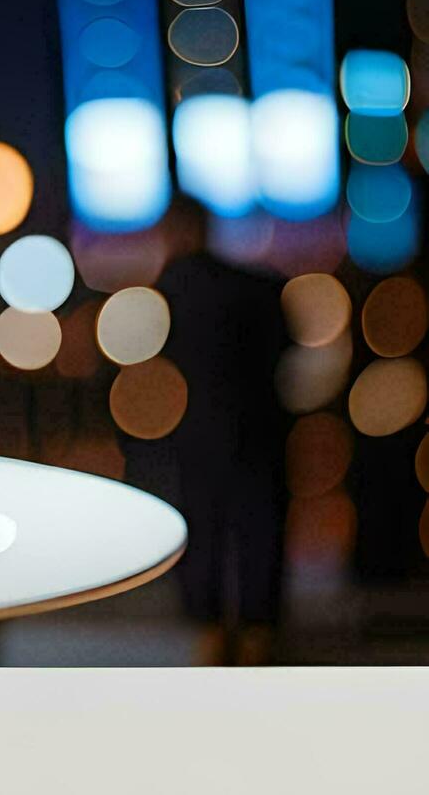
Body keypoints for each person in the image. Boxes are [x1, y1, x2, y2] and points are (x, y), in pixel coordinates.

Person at [123, 198, 289, 665]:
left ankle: (211, 632)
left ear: (177, 232)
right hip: (262, 426)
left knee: (201, 530)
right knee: (260, 529)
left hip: (197, 434)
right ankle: (259, 633)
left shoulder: (170, 288)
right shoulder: (261, 287)